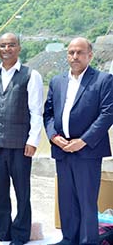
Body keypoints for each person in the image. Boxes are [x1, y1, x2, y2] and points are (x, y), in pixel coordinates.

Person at [43, 37, 113, 245]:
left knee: (86, 200)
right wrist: (54, 137)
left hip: (87, 151)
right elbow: (47, 114)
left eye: (80, 52)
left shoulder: (103, 80)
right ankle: (68, 239)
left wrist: (82, 141)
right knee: (66, 200)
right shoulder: (57, 81)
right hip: (62, 149)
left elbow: (107, 114)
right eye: (71, 52)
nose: (75, 56)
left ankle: (87, 241)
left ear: (89, 55)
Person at [0, 32, 43, 245]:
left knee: (22, 191)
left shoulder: (31, 75)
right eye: (3, 45)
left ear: (19, 48)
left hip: (20, 145)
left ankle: (21, 234)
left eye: (11, 45)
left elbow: (36, 111)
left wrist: (33, 140)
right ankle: (3, 232)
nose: (6, 49)